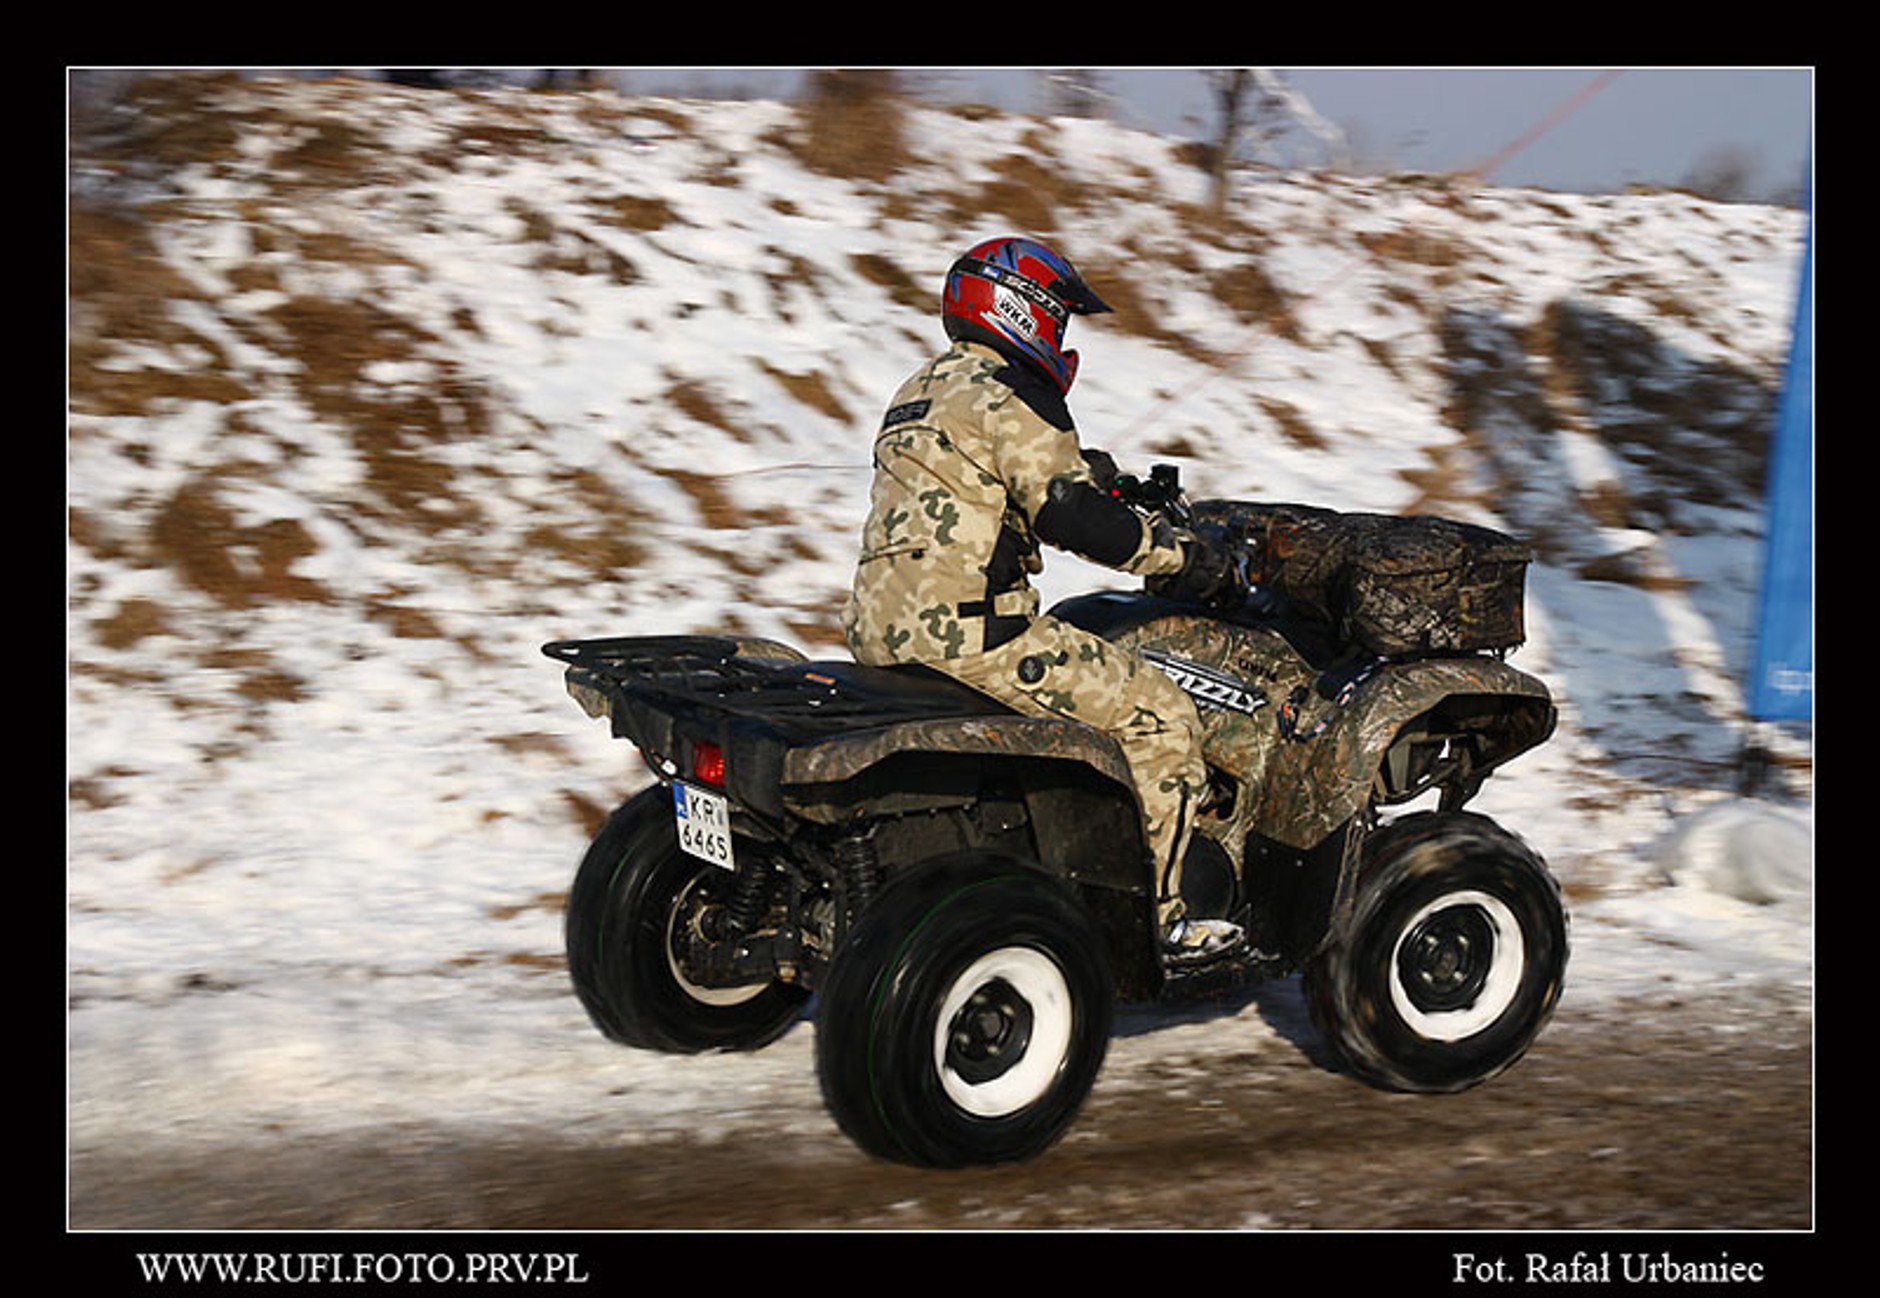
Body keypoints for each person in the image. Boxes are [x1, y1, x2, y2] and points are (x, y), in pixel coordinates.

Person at [841, 235, 1245, 957]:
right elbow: (1071, 516)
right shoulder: (1014, 394)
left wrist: (1098, 479)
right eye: (1058, 320)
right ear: (1023, 313)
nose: (1060, 338)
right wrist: (1183, 558)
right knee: (1164, 721)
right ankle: (1163, 923)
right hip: (971, 638)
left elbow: (993, 483)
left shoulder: (920, 389)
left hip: (879, 631)